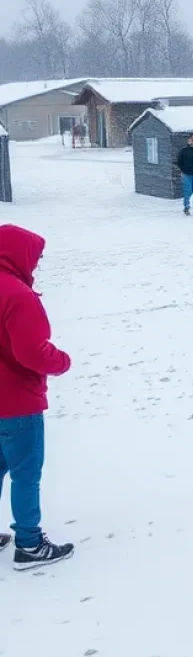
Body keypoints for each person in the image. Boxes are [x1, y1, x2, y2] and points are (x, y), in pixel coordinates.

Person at [0, 224, 74, 568]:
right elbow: (31, 351)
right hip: (16, 402)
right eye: (36, 258)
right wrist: (60, 361)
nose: (36, 265)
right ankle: (29, 543)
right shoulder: (16, 295)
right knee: (26, 473)